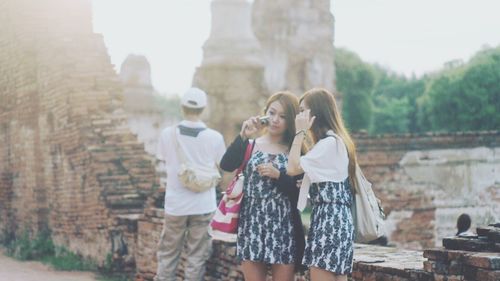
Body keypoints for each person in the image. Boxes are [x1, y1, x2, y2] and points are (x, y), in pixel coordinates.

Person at [220, 91, 305, 281]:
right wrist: (243, 135)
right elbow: (226, 165)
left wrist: (279, 176)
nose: (275, 120)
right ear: (264, 114)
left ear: (291, 120)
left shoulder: (295, 148)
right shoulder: (251, 144)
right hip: (252, 222)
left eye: (283, 116)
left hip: (284, 225)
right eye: (272, 113)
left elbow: (301, 193)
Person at [155, 87, 226, 281]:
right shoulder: (215, 137)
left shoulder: (167, 134)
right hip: (203, 204)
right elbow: (222, 165)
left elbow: (162, 163)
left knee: (168, 255)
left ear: (182, 107)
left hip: (175, 205)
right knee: (197, 257)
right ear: (203, 108)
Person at [287, 88, 357, 281]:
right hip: (338, 220)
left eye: (303, 111)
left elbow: (292, 167)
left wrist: (299, 132)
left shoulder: (328, 144)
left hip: (328, 221)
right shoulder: (336, 142)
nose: (299, 116)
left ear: (316, 113)